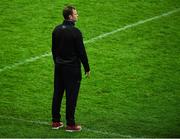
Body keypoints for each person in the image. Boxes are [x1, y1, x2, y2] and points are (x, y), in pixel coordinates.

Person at [51, 5, 90, 132]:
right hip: (72, 69)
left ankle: (55, 121)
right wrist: (87, 67)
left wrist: (57, 62)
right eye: (75, 14)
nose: (77, 15)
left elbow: (54, 50)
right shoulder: (76, 32)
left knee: (57, 93)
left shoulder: (56, 30)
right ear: (70, 17)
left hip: (59, 67)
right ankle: (71, 124)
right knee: (71, 96)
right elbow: (81, 52)